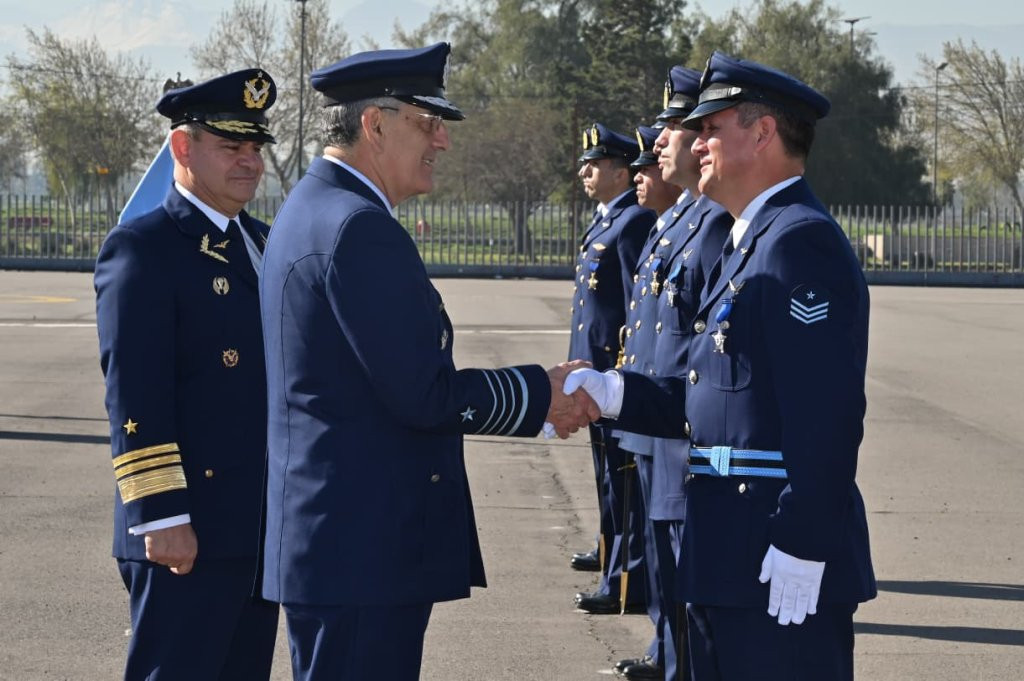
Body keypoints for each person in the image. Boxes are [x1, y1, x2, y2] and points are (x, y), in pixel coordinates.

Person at [257, 43, 597, 681]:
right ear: (375, 125)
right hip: (364, 549)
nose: (441, 141)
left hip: (336, 542)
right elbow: (421, 392)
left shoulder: (312, 209)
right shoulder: (358, 227)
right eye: (427, 122)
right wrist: (538, 393)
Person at [568, 52, 876, 680]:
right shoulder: (750, 239)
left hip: (772, 552)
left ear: (763, 133)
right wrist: (612, 390)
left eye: (711, 127)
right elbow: (711, 392)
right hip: (728, 547)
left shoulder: (798, 242)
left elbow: (828, 413)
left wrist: (804, 540)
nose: (693, 142)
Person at [94, 69, 280, 680]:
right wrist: (163, 515)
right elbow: (135, 391)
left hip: (254, 523)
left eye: (255, 147)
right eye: (231, 146)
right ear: (182, 147)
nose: (249, 162)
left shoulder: (259, 240)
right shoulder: (146, 247)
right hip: (187, 530)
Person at [612, 66, 732, 681]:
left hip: (682, 423)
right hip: (655, 410)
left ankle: (679, 662)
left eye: (674, 130)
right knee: (664, 555)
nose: (659, 143)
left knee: (684, 560)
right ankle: (668, 655)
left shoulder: (712, 222)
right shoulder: (683, 215)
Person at [568, 122, 655, 615]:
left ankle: (623, 578)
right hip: (593, 372)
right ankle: (609, 554)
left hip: (613, 376)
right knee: (607, 476)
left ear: (622, 173)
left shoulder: (632, 221)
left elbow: (630, 308)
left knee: (622, 482)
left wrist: (619, 373)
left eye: (595, 164)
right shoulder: (607, 219)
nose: (585, 171)